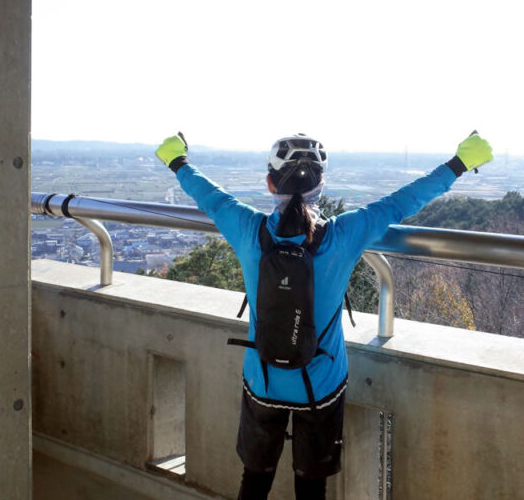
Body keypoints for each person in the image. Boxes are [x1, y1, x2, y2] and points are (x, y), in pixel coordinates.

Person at [155, 131, 493, 500]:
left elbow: (208, 195)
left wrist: (177, 159)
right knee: (311, 486)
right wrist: (460, 162)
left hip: (263, 379)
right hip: (321, 383)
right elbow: (403, 202)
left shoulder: (247, 229)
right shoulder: (345, 234)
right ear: (321, 185)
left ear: (270, 183)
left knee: (254, 480)